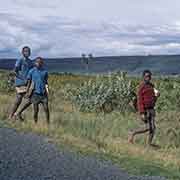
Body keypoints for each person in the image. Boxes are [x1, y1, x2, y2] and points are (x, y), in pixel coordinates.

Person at [128, 70, 160, 147]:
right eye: (146, 76)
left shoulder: (152, 86)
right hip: (145, 110)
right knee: (147, 127)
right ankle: (133, 133)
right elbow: (139, 101)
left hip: (151, 109)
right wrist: (142, 112)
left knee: (153, 128)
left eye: (149, 76)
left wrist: (157, 96)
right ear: (143, 77)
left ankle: (149, 144)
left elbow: (153, 99)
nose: (148, 77)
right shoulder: (141, 87)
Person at [18, 57, 50, 124]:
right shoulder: (31, 71)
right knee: (36, 110)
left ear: (42, 63)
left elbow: (46, 82)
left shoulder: (45, 72)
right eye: (37, 62)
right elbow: (29, 82)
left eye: (40, 62)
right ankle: (35, 123)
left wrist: (47, 91)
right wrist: (27, 91)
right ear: (35, 63)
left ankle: (48, 123)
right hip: (35, 94)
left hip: (44, 94)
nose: (38, 63)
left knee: (46, 109)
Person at [9, 46, 34, 120]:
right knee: (18, 99)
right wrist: (23, 78)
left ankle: (17, 114)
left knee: (30, 100)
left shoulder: (30, 62)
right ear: (22, 52)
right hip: (20, 83)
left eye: (29, 51)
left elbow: (32, 72)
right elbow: (15, 71)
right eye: (26, 51)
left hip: (27, 84)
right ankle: (12, 116)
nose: (27, 52)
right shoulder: (19, 60)